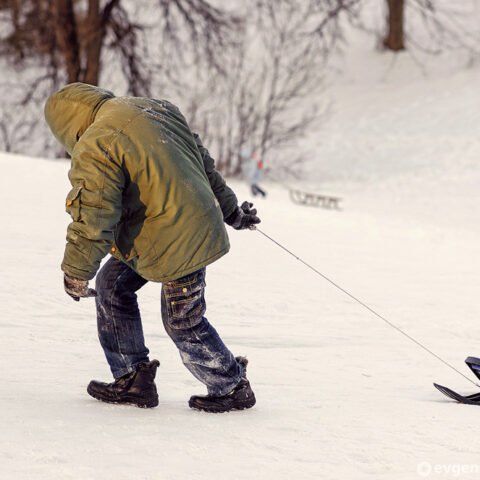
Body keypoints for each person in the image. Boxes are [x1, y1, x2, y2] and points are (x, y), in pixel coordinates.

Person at [44, 82, 260, 412]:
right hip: (169, 230)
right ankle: (133, 379)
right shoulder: (157, 109)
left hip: (176, 237)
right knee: (112, 286)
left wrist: (75, 272)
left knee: (183, 320)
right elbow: (202, 163)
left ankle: (230, 384)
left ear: (65, 126)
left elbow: (94, 215)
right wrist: (231, 212)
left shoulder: (96, 142)